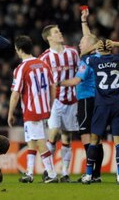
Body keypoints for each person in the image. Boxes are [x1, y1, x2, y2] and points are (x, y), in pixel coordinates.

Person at [59, 8, 104, 183]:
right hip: (97, 99)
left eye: (82, 42)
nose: (79, 44)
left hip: (86, 99)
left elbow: (76, 81)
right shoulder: (98, 55)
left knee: (86, 135)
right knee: (96, 138)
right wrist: (84, 21)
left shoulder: (86, 60)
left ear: (90, 45)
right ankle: (96, 174)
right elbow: (90, 38)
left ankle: (90, 173)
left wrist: (57, 83)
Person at [8, 35, 58, 184]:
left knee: (39, 141)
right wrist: (49, 104)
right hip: (43, 108)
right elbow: (53, 87)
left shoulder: (21, 68)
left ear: (19, 50)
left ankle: (52, 174)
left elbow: (15, 94)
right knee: (31, 140)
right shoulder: (43, 65)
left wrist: (10, 113)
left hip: (32, 109)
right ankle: (29, 173)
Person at [80, 37, 119, 185]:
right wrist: (116, 44)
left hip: (101, 106)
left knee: (94, 140)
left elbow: (82, 54)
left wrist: (94, 46)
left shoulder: (95, 61)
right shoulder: (118, 58)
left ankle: (89, 175)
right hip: (118, 105)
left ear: (98, 49)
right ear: (110, 48)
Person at [38, 24, 80, 182]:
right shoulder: (45, 58)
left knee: (67, 137)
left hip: (71, 99)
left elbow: (79, 72)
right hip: (54, 101)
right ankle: (48, 170)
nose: (60, 33)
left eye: (60, 31)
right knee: (53, 133)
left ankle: (65, 172)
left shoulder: (73, 53)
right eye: (56, 32)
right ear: (49, 37)